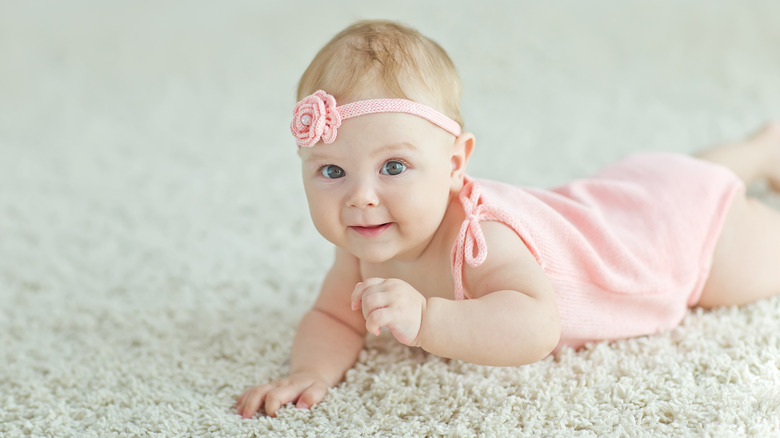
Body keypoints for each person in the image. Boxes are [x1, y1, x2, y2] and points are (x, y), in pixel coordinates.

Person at [236, 19, 780, 418]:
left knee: (746, 242)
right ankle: (759, 150)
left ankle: (753, 160)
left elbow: (535, 326)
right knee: (678, 175)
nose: (360, 197)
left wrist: (429, 320)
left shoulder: (480, 237)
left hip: (675, 242)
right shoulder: (361, 240)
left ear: (454, 165)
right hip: (633, 191)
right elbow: (334, 317)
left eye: (394, 166)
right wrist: (309, 372)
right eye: (331, 171)